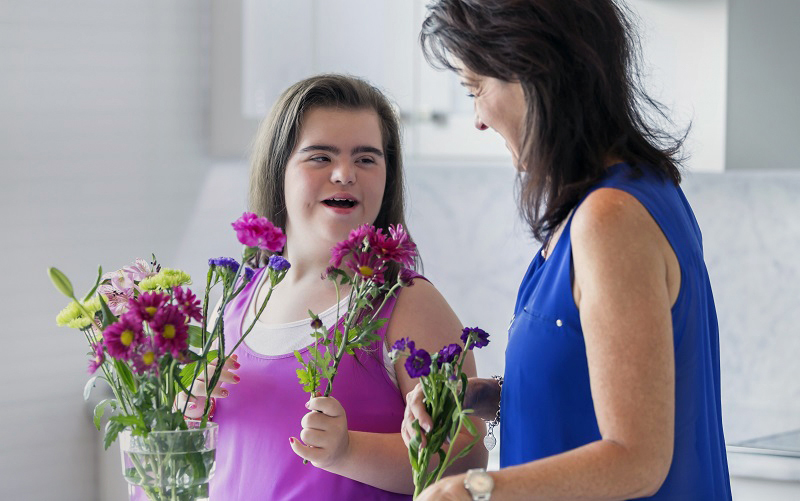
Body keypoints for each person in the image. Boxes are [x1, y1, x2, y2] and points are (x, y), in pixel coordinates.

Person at [401, 1, 732, 500]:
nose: (478, 120)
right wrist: (482, 396)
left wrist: (472, 489)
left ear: (532, 70)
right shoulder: (620, 199)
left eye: (476, 89)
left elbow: (637, 459)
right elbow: (591, 391)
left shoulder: (611, 219)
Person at [182, 74, 487, 500]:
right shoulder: (234, 304)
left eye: (366, 159)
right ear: (278, 170)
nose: (344, 174)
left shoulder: (410, 304)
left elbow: (466, 463)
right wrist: (190, 414)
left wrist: (347, 451)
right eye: (320, 157)